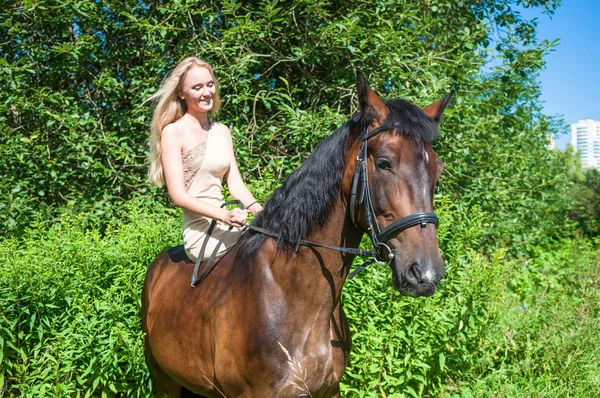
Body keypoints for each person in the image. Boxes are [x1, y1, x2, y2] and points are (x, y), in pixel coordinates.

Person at [147, 57, 263, 262]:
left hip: (229, 223)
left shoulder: (222, 131)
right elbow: (178, 196)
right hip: (202, 233)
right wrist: (224, 215)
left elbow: (235, 183)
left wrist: (259, 210)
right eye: (197, 87)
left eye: (210, 84)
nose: (207, 92)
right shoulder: (173, 132)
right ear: (181, 93)